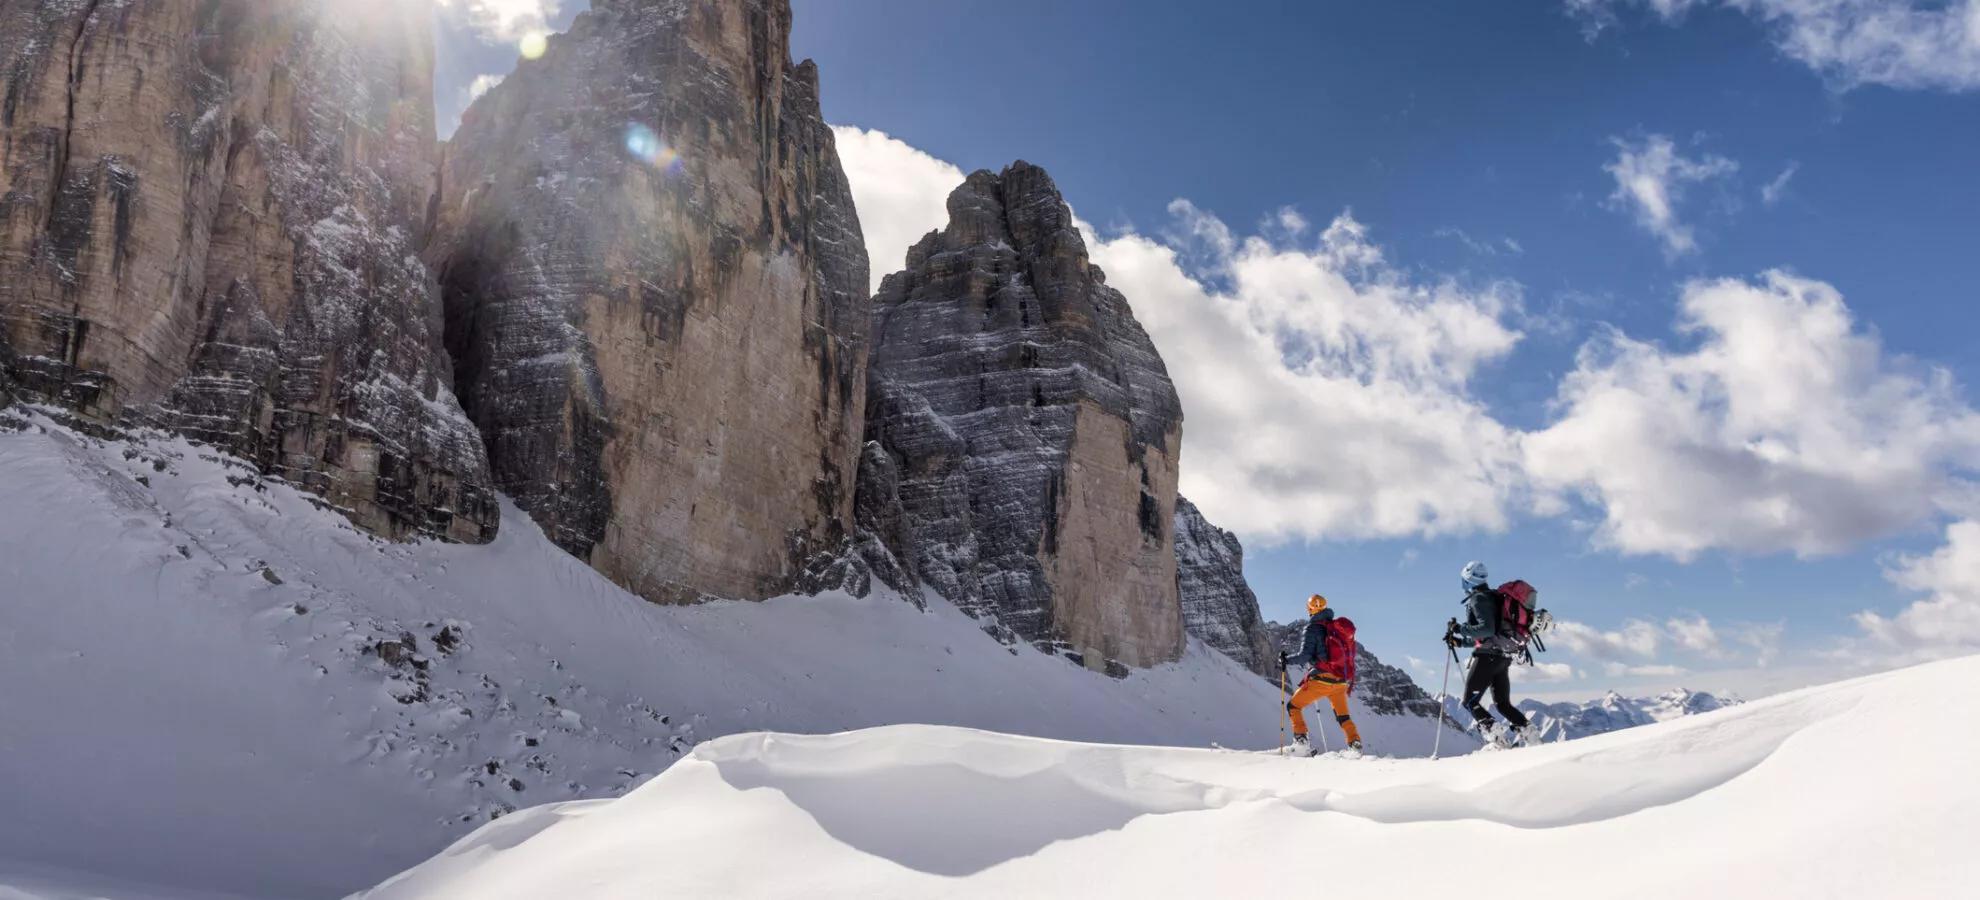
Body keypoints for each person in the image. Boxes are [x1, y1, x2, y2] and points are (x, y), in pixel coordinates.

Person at [1447, 560, 1532, 747]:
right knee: (1503, 704)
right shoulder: (1493, 596)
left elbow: (1486, 629)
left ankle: (1498, 741)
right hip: (1502, 657)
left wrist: (1460, 628)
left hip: (1488, 658)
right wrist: (1460, 642)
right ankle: (1530, 735)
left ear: (1468, 580)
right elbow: (1491, 634)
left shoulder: (1478, 598)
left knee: (1469, 702)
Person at [1279, 594, 1362, 755]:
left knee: (1293, 706)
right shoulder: (1335, 628)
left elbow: (1305, 656)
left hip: (1321, 681)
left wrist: (1285, 660)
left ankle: (1301, 743)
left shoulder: (1312, 628)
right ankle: (1355, 744)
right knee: (1343, 715)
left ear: (1310, 609)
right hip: (1340, 682)